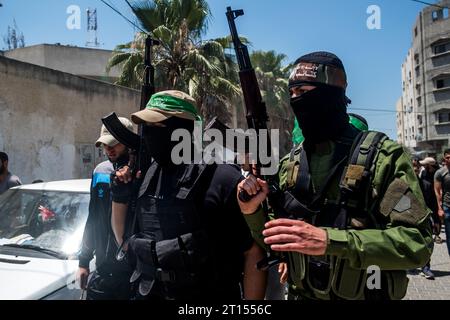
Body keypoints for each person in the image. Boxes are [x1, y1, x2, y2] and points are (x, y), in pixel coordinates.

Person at [238, 51, 433, 300]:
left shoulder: (383, 158)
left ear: (331, 95)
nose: (296, 101)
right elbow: (275, 242)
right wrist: (251, 211)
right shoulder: (292, 163)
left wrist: (330, 241)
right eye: (293, 94)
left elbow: (417, 244)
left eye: (305, 92)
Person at [110, 90, 267, 300]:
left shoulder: (223, 178)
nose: (148, 134)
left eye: (156, 126)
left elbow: (253, 253)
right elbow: (125, 242)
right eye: (146, 127)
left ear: (183, 128)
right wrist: (119, 196)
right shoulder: (148, 176)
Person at [76, 117, 135, 300]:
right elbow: (93, 217)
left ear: (127, 141)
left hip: (132, 274)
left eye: (114, 144)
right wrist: (84, 261)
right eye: (105, 144)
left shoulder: (142, 171)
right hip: (103, 270)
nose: (109, 149)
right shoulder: (100, 171)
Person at [412, 159, 438, 279]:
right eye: (412, 166)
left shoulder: (426, 185)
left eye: (416, 166)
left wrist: (437, 220)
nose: (415, 168)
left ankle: (426, 267)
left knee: (427, 243)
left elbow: (433, 204)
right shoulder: (402, 186)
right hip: (409, 219)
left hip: (424, 219)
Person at [434, 149, 450, 257]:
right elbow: (437, 190)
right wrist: (440, 208)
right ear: (444, 158)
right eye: (448, 157)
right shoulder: (440, 172)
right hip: (447, 206)